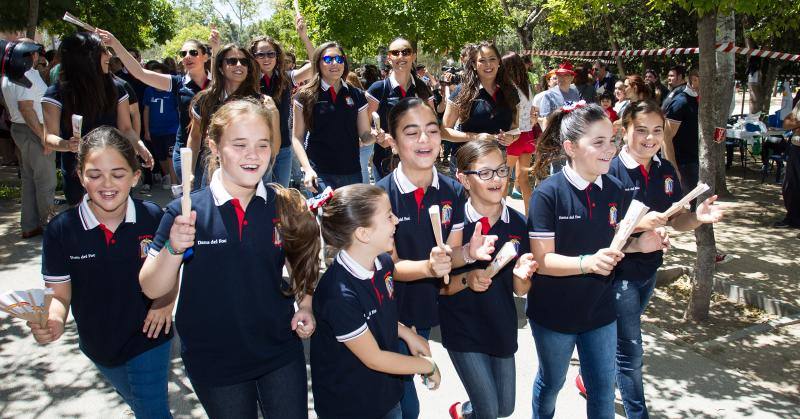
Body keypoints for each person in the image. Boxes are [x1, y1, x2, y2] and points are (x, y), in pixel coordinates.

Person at [139, 99, 318, 418]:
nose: (253, 155)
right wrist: (173, 249)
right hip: (215, 359)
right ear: (215, 147)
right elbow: (152, 288)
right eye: (239, 145)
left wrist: (305, 305)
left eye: (263, 145)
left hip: (278, 347)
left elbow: (302, 263)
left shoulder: (284, 204)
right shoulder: (185, 211)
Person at [528, 103, 666, 419]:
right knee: (552, 383)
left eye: (611, 140)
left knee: (603, 395)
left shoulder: (615, 189)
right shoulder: (547, 194)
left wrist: (639, 244)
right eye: (598, 142)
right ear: (570, 147)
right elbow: (543, 259)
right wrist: (587, 263)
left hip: (602, 311)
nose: (610, 150)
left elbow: (613, 243)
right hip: (554, 314)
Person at [30, 126, 175, 418]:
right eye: (95, 175)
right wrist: (54, 319)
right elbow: (58, 293)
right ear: (81, 177)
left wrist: (165, 303)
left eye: (118, 174)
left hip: (149, 337)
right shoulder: (61, 230)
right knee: (141, 404)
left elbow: (173, 266)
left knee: (152, 411)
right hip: (99, 344)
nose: (107, 184)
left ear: (135, 177)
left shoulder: (153, 218)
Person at [378, 97, 497, 419]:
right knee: (403, 404)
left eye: (432, 130)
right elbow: (392, 266)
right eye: (411, 132)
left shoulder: (453, 191)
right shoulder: (379, 197)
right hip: (392, 312)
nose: (424, 140)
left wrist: (467, 254)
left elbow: (452, 257)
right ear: (392, 141)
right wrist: (429, 267)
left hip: (432, 306)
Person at [608, 100, 724, 418]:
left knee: (620, 341)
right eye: (641, 130)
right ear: (623, 130)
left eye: (657, 131)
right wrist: (636, 236)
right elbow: (597, 233)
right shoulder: (609, 173)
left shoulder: (664, 170)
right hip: (616, 278)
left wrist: (697, 217)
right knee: (630, 350)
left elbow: (677, 220)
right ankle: (637, 413)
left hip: (649, 273)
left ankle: (595, 376)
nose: (650, 138)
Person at [312, 184, 443, 419]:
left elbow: (378, 313)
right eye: (388, 216)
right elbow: (375, 358)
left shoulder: (382, 263)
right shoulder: (338, 295)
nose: (396, 221)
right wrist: (428, 366)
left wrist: (405, 333)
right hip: (350, 405)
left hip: (383, 393)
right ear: (363, 233)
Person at [442, 140, 538, 419]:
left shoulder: (519, 224)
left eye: (501, 171)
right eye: (484, 173)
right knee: (489, 410)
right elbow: (439, 287)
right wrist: (468, 278)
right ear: (464, 180)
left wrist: (523, 276)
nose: (496, 179)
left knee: (504, 408)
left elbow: (521, 291)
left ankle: (464, 412)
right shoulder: (453, 221)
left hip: (501, 325)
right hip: (462, 327)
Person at [42, 32, 152, 206]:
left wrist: (139, 146)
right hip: (78, 171)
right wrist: (67, 144)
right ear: (86, 57)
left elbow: (125, 128)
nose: (109, 55)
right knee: (83, 225)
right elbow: (49, 138)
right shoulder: (55, 93)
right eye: (103, 51)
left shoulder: (117, 88)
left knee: (117, 218)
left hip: (115, 166)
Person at [98, 29, 212, 195]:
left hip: (213, 150)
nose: (187, 56)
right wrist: (115, 43)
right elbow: (140, 73)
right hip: (185, 150)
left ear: (205, 57)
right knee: (195, 196)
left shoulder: (217, 83)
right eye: (183, 53)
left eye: (193, 52)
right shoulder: (178, 83)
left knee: (211, 197)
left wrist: (216, 47)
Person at [293, 42, 376, 192]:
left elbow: (365, 135)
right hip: (319, 174)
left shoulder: (356, 94)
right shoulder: (304, 95)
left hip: (352, 173)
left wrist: (375, 136)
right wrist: (307, 169)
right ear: (318, 63)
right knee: (325, 216)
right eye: (328, 59)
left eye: (339, 59)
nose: (334, 64)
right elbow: (296, 137)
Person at [250, 14, 316, 187]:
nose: (266, 58)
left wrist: (304, 37)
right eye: (260, 54)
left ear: (277, 56)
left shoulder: (285, 79)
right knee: (260, 196)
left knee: (282, 195)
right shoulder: (247, 82)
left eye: (270, 54)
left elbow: (316, 66)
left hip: (284, 148)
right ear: (253, 57)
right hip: (257, 148)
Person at [1, 39, 55, 238]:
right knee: (45, 181)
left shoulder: (9, 74)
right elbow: (26, 108)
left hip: (20, 129)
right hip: (33, 130)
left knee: (30, 180)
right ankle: (50, 226)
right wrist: (44, 137)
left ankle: (30, 225)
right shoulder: (25, 74)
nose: (38, 54)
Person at [443, 41, 520, 175]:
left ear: (499, 62)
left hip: (496, 161)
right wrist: (475, 137)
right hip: (467, 161)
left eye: (492, 59)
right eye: (482, 60)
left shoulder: (510, 92)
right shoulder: (462, 91)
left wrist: (511, 138)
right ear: (473, 65)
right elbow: (444, 131)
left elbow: (516, 128)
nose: (488, 64)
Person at [367, 38, 434, 182]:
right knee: (387, 204)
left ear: (413, 56)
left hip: (418, 159)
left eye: (406, 52)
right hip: (386, 162)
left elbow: (434, 124)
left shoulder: (423, 88)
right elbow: (365, 125)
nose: (401, 56)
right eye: (395, 53)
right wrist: (379, 136)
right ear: (389, 58)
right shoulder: (378, 89)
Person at [501, 52, 537, 214]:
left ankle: (500, 217)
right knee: (523, 180)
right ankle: (530, 216)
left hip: (514, 136)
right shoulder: (527, 87)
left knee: (503, 179)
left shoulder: (509, 88)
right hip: (528, 136)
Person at [142, 61, 179, 191]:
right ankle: (167, 176)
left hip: (171, 129)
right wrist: (146, 130)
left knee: (170, 156)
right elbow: (146, 110)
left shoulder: (172, 91)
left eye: (159, 75)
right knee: (161, 157)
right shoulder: (148, 91)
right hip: (155, 131)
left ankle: (174, 183)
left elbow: (178, 109)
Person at [663, 68, 700, 192]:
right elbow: (666, 138)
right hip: (683, 164)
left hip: (695, 161)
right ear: (694, 80)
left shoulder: (699, 100)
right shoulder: (681, 102)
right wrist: (673, 168)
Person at [776, 100, 800, 229]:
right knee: (790, 186)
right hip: (796, 148)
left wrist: (796, 124)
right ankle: (792, 218)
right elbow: (786, 123)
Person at [537, 61, 580, 129]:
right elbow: (545, 121)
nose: (562, 78)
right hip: (556, 134)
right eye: (559, 75)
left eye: (566, 75)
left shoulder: (575, 93)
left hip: (572, 132)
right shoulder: (549, 95)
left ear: (572, 78)